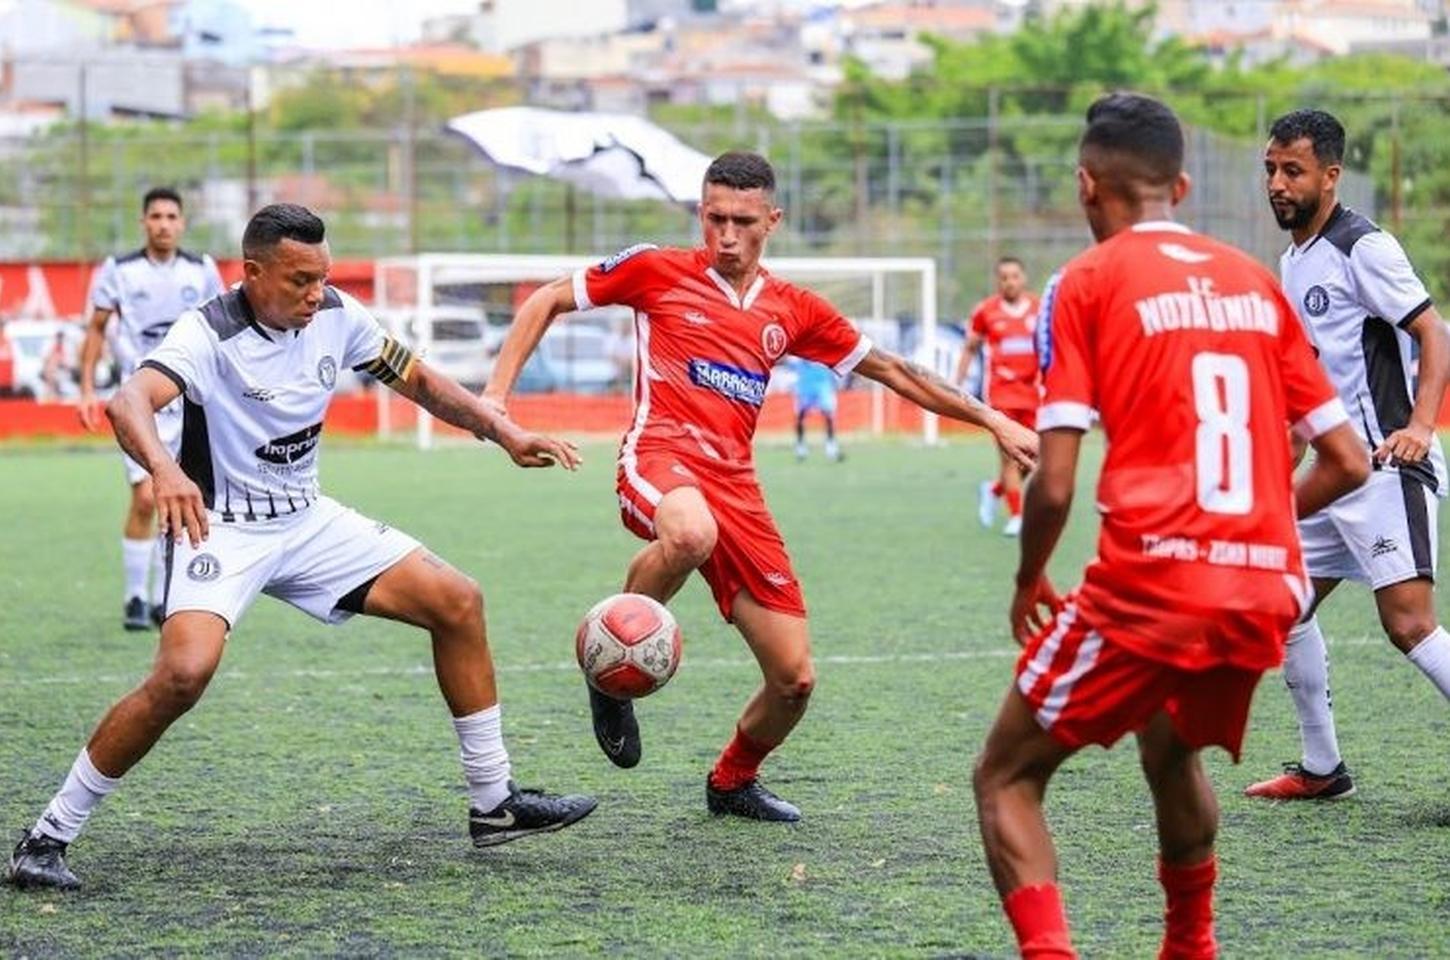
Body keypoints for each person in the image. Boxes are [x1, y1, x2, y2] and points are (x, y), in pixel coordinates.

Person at [8, 204, 596, 892]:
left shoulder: (339, 315)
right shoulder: (208, 331)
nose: (316, 293)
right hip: (221, 529)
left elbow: (423, 381)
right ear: (252, 273)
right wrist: (166, 471)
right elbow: (130, 401)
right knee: (182, 676)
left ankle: (494, 804)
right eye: (299, 281)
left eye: (323, 277)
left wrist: (502, 431)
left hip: (308, 522)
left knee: (457, 600)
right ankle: (45, 837)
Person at [485, 151, 1038, 822]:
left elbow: (893, 370)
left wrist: (990, 419)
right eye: (714, 217)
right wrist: (496, 398)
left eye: (742, 221)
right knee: (690, 533)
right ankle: (612, 654)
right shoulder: (655, 270)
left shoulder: (793, 309)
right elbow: (546, 298)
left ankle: (731, 782)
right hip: (659, 457)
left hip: (737, 488)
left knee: (794, 680)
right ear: (701, 214)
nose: (725, 234)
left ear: (772, 220)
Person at [971, 94, 1368, 959]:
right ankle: (1192, 945)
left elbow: (1053, 481)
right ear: (1180, 185)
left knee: (1005, 776)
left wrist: (1027, 578)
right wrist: (1257, 528)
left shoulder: (1086, 281)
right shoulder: (1257, 282)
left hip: (1155, 584)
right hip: (1266, 588)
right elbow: (1346, 460)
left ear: (1087, 185)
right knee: (1168, 750)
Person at [1246, 109, 1450, 801]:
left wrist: (1420, 425)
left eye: (1293, 171)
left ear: (1330, 176)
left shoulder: (1365, 246)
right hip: (1334, 473)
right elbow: (1314, 377)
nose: (1278, 183)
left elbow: (1434, 331)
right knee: (1284, 608)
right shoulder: (1295, 258)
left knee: (1409, 625)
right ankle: (1324, 768)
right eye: (1271, 168)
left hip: (1389, 468)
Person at [78, 187, 226, 631]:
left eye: (171, 216)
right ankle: (135, 597)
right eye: (155, 216)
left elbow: (222, 331)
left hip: (190, 401)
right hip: (139, 402)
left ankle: (166, 598)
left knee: (180, 497)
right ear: (144, 222)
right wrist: (86, 387)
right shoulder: (119, 271)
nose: (163, 223)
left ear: (182, 223)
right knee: (146, 496)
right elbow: (97, 328)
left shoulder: (201, 270)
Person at [954, 257, 1041, 536]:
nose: (1010, 282)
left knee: (1033, 458)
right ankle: (1017, 516)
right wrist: (957, 383)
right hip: (1002, 397)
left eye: (1015, 276)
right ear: (998, 281)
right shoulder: (986, 312)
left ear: (1023, 278)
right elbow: (970, 348)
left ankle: (992, 491)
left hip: (1035, 396)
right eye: (1004, 277)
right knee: (1008, 458)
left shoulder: (1040, 309)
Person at [790, 357, 842, 462]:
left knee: (828, 416)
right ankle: (800, 446)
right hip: (805, 386)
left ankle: (831, 447)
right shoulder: (800, 351)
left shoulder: (826, 349)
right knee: (800, 416)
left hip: (823, 385)